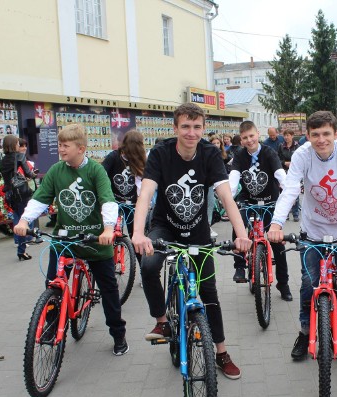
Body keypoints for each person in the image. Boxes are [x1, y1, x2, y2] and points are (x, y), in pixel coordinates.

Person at [131, 103, 252, 380]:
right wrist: (138, 233)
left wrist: (242, 234)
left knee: (209, 294)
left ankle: (221, 353)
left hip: (198, 231)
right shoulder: (161, 153)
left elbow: (225, 197)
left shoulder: (210, 154)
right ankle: (162, 321)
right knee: (149, 265)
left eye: (197, 127)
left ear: (203, 129)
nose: (191, 132)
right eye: (185, 126)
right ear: (175, 129)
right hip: (165, 226)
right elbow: (146, 195)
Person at [268, 111, 337, 366]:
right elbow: (290, 190)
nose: (321, 139)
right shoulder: (302, 155)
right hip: (313, 230)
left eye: (326, 134)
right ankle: (304, 331)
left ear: (336, 134)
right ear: (307, 136)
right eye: (315, 134)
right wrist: (276, 223)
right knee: (308, 283)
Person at [13, 124, 129, 356]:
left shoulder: (96, 171)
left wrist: (108, 229)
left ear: (81, 148)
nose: (61, 149)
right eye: (59, 145)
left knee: (108, 289)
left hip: (95, 240)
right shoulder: (57, 171)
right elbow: (40, 198)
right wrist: (25, 221)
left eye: (66, 146)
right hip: (64, 239)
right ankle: (51, 325)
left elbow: (107, 200)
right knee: (53, 283)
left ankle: (118, 334)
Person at [230, 121, 292, 301]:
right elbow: (233, 178)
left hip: (269, 202)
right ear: (241, 140)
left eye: (251, 136)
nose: (249, 140)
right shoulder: (240, 155)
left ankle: (284, 283)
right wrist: (228, 194)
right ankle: (240, 265)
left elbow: (280, 174)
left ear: (258, 134)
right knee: (238, 221)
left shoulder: (269, 152)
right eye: (245, 138)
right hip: (248, 201)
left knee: (277, 243)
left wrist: (288, 191)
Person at [101, 129, 147, 251]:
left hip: (131, 203)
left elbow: (141, 183)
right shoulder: (113, 157)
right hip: (113, 201)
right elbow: (102, 176)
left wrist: (143, 202)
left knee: (136, 237)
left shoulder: (140, 159)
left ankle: (142, 266)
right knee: (110, 232)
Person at [278, 129, 301, 221]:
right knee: (284, 192)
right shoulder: (281, 146)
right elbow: (277, 159)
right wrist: (284, 163)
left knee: (295, 191)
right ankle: (285, 213)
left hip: (294, 172)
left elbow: (300, 159)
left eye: (288, 135)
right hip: (283, 171)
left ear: (292, 136)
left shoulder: (297, 146)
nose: (286, 137)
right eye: (285, 135)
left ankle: (295, 214)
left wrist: (293, 163)